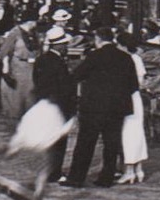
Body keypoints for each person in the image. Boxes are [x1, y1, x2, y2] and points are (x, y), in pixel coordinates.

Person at [62, 27, 139, 188]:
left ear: (98, 39)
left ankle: (76, 178)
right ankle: (106, 178)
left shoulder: (94, 56)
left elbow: (76, 75)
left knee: (85, 143)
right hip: (117, 108)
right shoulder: (126, 58)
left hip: (94, 107)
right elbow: (133, 85)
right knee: (111, 144)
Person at [31, 27, 77, 183]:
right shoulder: (58, 63)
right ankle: (55, 171)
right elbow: (64, 86)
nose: (66, 47)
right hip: (59, 105)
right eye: (64, 44)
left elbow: (36, 81)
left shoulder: (41, 59)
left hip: (44, 103)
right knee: (59, 140)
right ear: (58, 45)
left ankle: (49, 169)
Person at [117, 34, 150, 185]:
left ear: (123, 46)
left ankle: (129, 170)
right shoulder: (138, 59)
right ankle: (139, 169)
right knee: (138, 132)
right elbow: (141, 82)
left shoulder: (125, 60)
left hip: (126, 97)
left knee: (127, 133)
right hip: (137, 98)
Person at [0, 20, 38, 117]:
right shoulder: (14, 33)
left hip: (31, 67)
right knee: (18, 95)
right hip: (18, 67)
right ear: (30, 21)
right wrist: (6, 69)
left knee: (30, 94)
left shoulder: (33, 32)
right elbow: (4, 52)